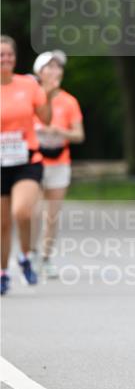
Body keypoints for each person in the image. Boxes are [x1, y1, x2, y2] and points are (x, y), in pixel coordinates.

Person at [1, 35, 56, 294]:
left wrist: (45, 92)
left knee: (21, 212)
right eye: (1, 55)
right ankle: (3, 272)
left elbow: (45, 119)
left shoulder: (28, 84)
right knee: (2, 224)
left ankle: (24, 256)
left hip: (27, 160)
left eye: (9, 54)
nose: (5, 59)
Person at [32, 50, 85, 278]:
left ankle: (45, 258)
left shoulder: (69, 101)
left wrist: (58, 131)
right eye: (50, 67)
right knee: (32, 212)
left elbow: (79, 135)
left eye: (58, 68)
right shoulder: (31, 98)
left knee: (51, 215)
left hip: (59, 162)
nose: (55, 72)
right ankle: (30, 253)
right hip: (34, 162)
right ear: (39, 72)